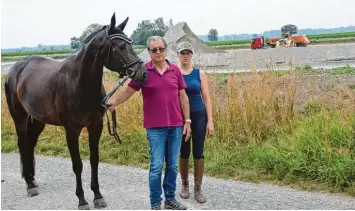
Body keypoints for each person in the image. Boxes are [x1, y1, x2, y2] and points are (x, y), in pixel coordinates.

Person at [107, 36, 191, 210]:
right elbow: (128, 91)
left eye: (160, 49)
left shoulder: (175, 70)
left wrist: (187, 121)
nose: (158, 52)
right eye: (154, 50)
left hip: (175, 126)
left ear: (166, 49)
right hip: (155, 128)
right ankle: (155, 203)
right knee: (156, 166)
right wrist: (114, 101)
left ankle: (170, 200)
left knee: (173, 165)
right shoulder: (143, 72)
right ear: (149, 52)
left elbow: (183, 97)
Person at [176, 42, 214, 203]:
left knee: (198, 151)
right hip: (180, 117)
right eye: (182, 52)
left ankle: (198, 189)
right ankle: (184, 185)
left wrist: (210, 121)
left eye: (188, 52)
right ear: (178, 55)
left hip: (198, 115)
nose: (185, 55)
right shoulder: (175, 73)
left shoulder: (199, 74)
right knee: (183, 150)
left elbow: (206, 97)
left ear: (192, 55)